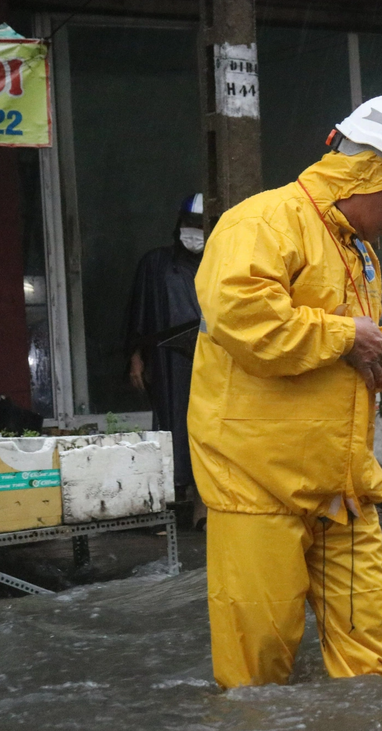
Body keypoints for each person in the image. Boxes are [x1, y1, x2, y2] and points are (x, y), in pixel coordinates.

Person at [188, 94, 382, 687]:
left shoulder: (357, 249)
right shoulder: (261, 222)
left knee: (374, 661)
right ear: (370, 173)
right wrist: (343, 338)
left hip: (342, 485)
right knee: (257, 679)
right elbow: (246, 321)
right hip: (257, 483)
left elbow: (363, 333)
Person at [124, 193, 207, 528]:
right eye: (190, 224)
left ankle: (204, 505)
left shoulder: (224, 262)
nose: (194, 232)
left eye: (201, 226)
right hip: (169, 364)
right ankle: (181, 499)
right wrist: (136, 359)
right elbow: (138, 317)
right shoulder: (156, 264)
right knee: (175, 427)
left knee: (207, 429)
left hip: (211, 361)